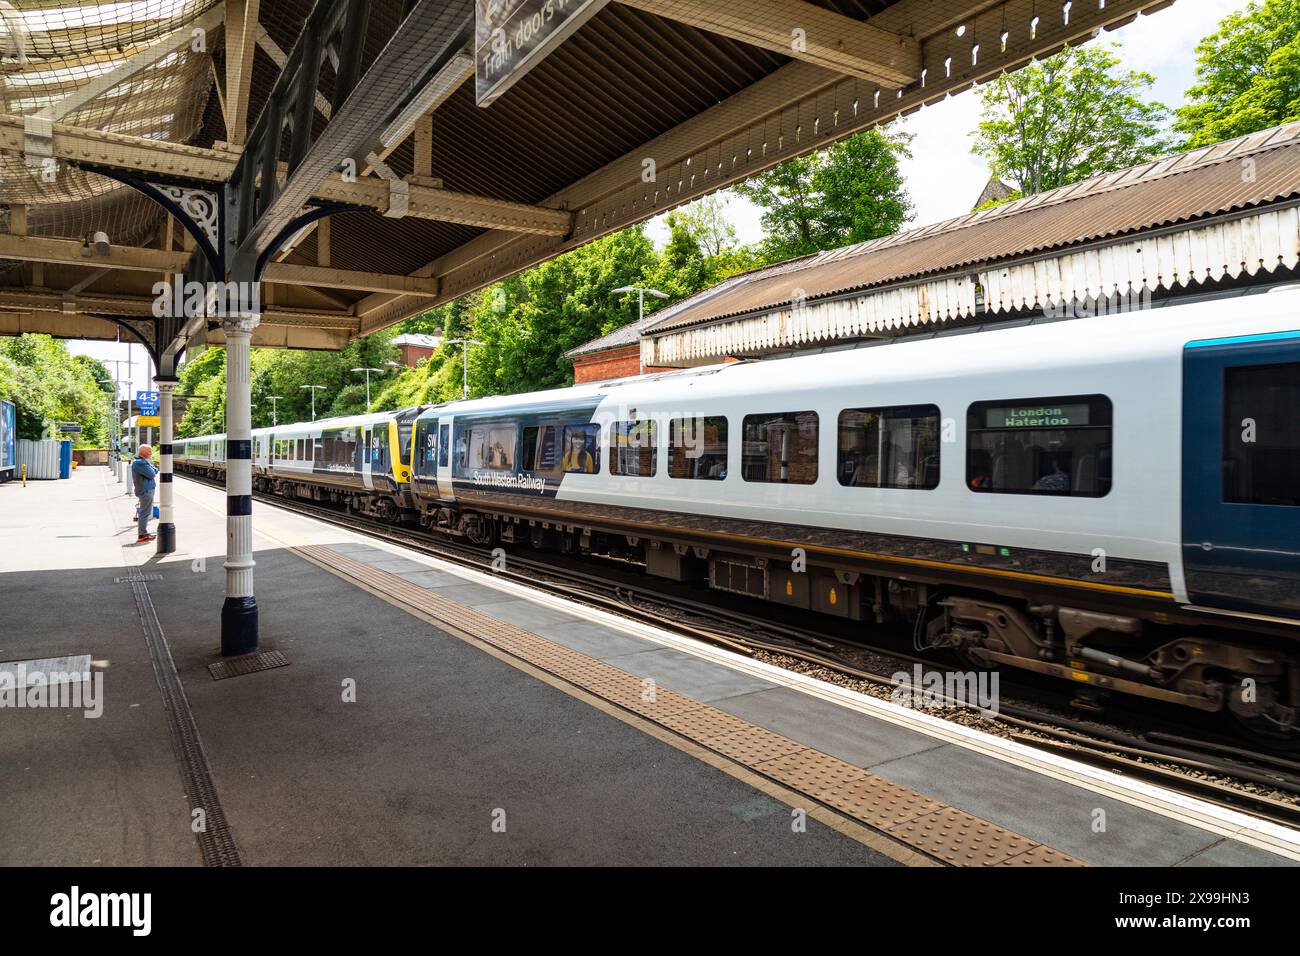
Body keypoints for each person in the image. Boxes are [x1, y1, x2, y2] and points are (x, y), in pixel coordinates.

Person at [131, 444, 158, 542]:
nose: (151, 453)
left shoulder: (142, 462)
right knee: (144, 513)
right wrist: (153, 469)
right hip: (145, 490)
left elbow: (154, 470)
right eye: (149, 451)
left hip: (146, 489)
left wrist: (153, 469)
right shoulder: (139, 463)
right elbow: (152, 474)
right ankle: (142, 534)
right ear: (143, 452)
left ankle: (143, 533)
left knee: (145, 512)